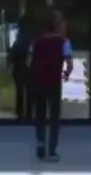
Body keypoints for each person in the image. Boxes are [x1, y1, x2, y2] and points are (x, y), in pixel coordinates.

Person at [28, 12, 70, 161]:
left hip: (40, 81)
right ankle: (52, 149)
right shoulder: (63, 42)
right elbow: (69, 63)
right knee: (54, 116)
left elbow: (30, 61)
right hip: (54, 81)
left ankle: (40, 141)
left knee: (40, 114)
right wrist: (65, 74)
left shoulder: (38, 41)